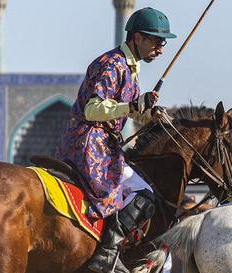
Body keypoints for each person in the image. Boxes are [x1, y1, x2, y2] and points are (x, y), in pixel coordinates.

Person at [55, 7, 178, 272]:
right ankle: (106, 252)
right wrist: (133, 105)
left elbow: (126, 110)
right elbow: (92, 109)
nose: (161, 49)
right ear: (137, 37)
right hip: (91, 144)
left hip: (103, 142)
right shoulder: (113, 64)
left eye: (163, 43)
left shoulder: (129, 68)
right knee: (144, 193)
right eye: (157, 41)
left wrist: (149, 113)